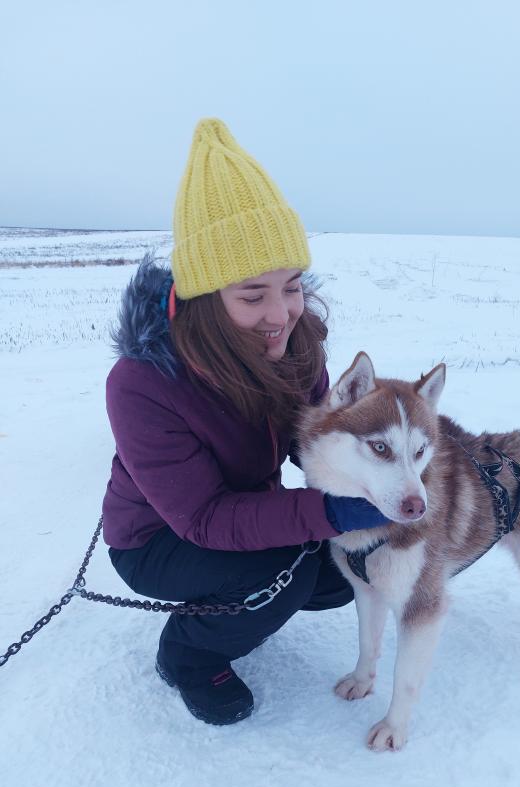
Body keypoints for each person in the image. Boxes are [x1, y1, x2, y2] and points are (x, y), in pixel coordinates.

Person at [103, 118, 388, 726]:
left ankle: (248, 599)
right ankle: (188, 655)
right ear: (206, 297)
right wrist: (328, 513)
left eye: (291, 287)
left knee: (340, 573)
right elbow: (203, 517)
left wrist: (382, 470)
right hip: (158, 537)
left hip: (237, 508)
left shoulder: (297, 340)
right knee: (279, 573)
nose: (280, 314)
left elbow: (309, 441)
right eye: (252, 295)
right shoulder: (143, 384)